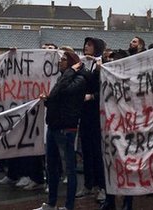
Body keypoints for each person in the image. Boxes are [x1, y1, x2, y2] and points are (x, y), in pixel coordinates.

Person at [34, 51, 86, 210]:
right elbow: (56, 97)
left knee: (69, 169)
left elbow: (63, 92)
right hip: (54, 125)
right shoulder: (63, 78)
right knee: (52, 166)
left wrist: (70, 72)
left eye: (64, 60)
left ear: (71, 63)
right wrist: (47, 100)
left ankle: (69, 206)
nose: (60, 62)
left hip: (66, 128)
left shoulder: (79, 79)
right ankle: (51, 203)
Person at [76, 37, 106, 201]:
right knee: (86, 150)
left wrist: (92, 96)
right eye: (85, 44)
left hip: (97, 114)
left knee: (97, 152)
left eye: (90, 45)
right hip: (85, 114)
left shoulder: (103, 64)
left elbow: (106, 89)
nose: (86, 47)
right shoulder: (83, 63)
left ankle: (101, 186)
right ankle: (88, 184)